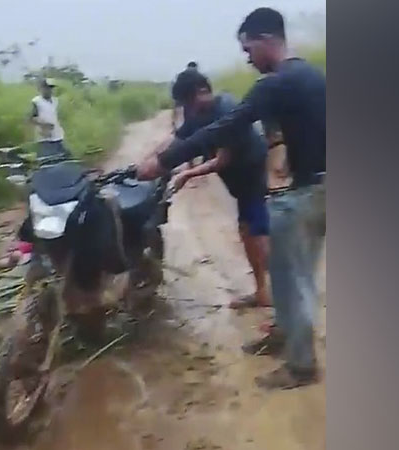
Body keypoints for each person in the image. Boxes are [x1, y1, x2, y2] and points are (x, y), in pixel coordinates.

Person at [137, 7, 325, 390]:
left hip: (307, 192)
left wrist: (166, 162)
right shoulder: (312, 76)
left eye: (247, 49)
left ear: (264, 39)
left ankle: (302, 366)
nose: (247, 58)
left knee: (293, 280)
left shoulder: (274, 84)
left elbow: (227, 128)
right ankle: (284, 337)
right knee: (293, 272)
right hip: (322, 187)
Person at [169, 69, 271, 310]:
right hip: (239, 182)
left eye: (188, 103)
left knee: (255, 235)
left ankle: (271, 296)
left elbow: (222, 159)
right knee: (248, 232)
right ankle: (264, 291)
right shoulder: (198, 112)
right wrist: (150, 162)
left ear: (202, 92)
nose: (188, 111)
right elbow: (178, 140)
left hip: (250, 175)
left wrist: (187, 173)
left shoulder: (227, 110)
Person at [30, 78, 68, 158]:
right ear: (41, 89)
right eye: (46, 88)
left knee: (61, 159)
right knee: (48, 160)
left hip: (58, 136)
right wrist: (44, 125)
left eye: (51, 88)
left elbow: (61, 116)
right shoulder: (36, 101)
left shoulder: (55, 101)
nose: (49, 90)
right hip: (44, 138)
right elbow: (32, 118)